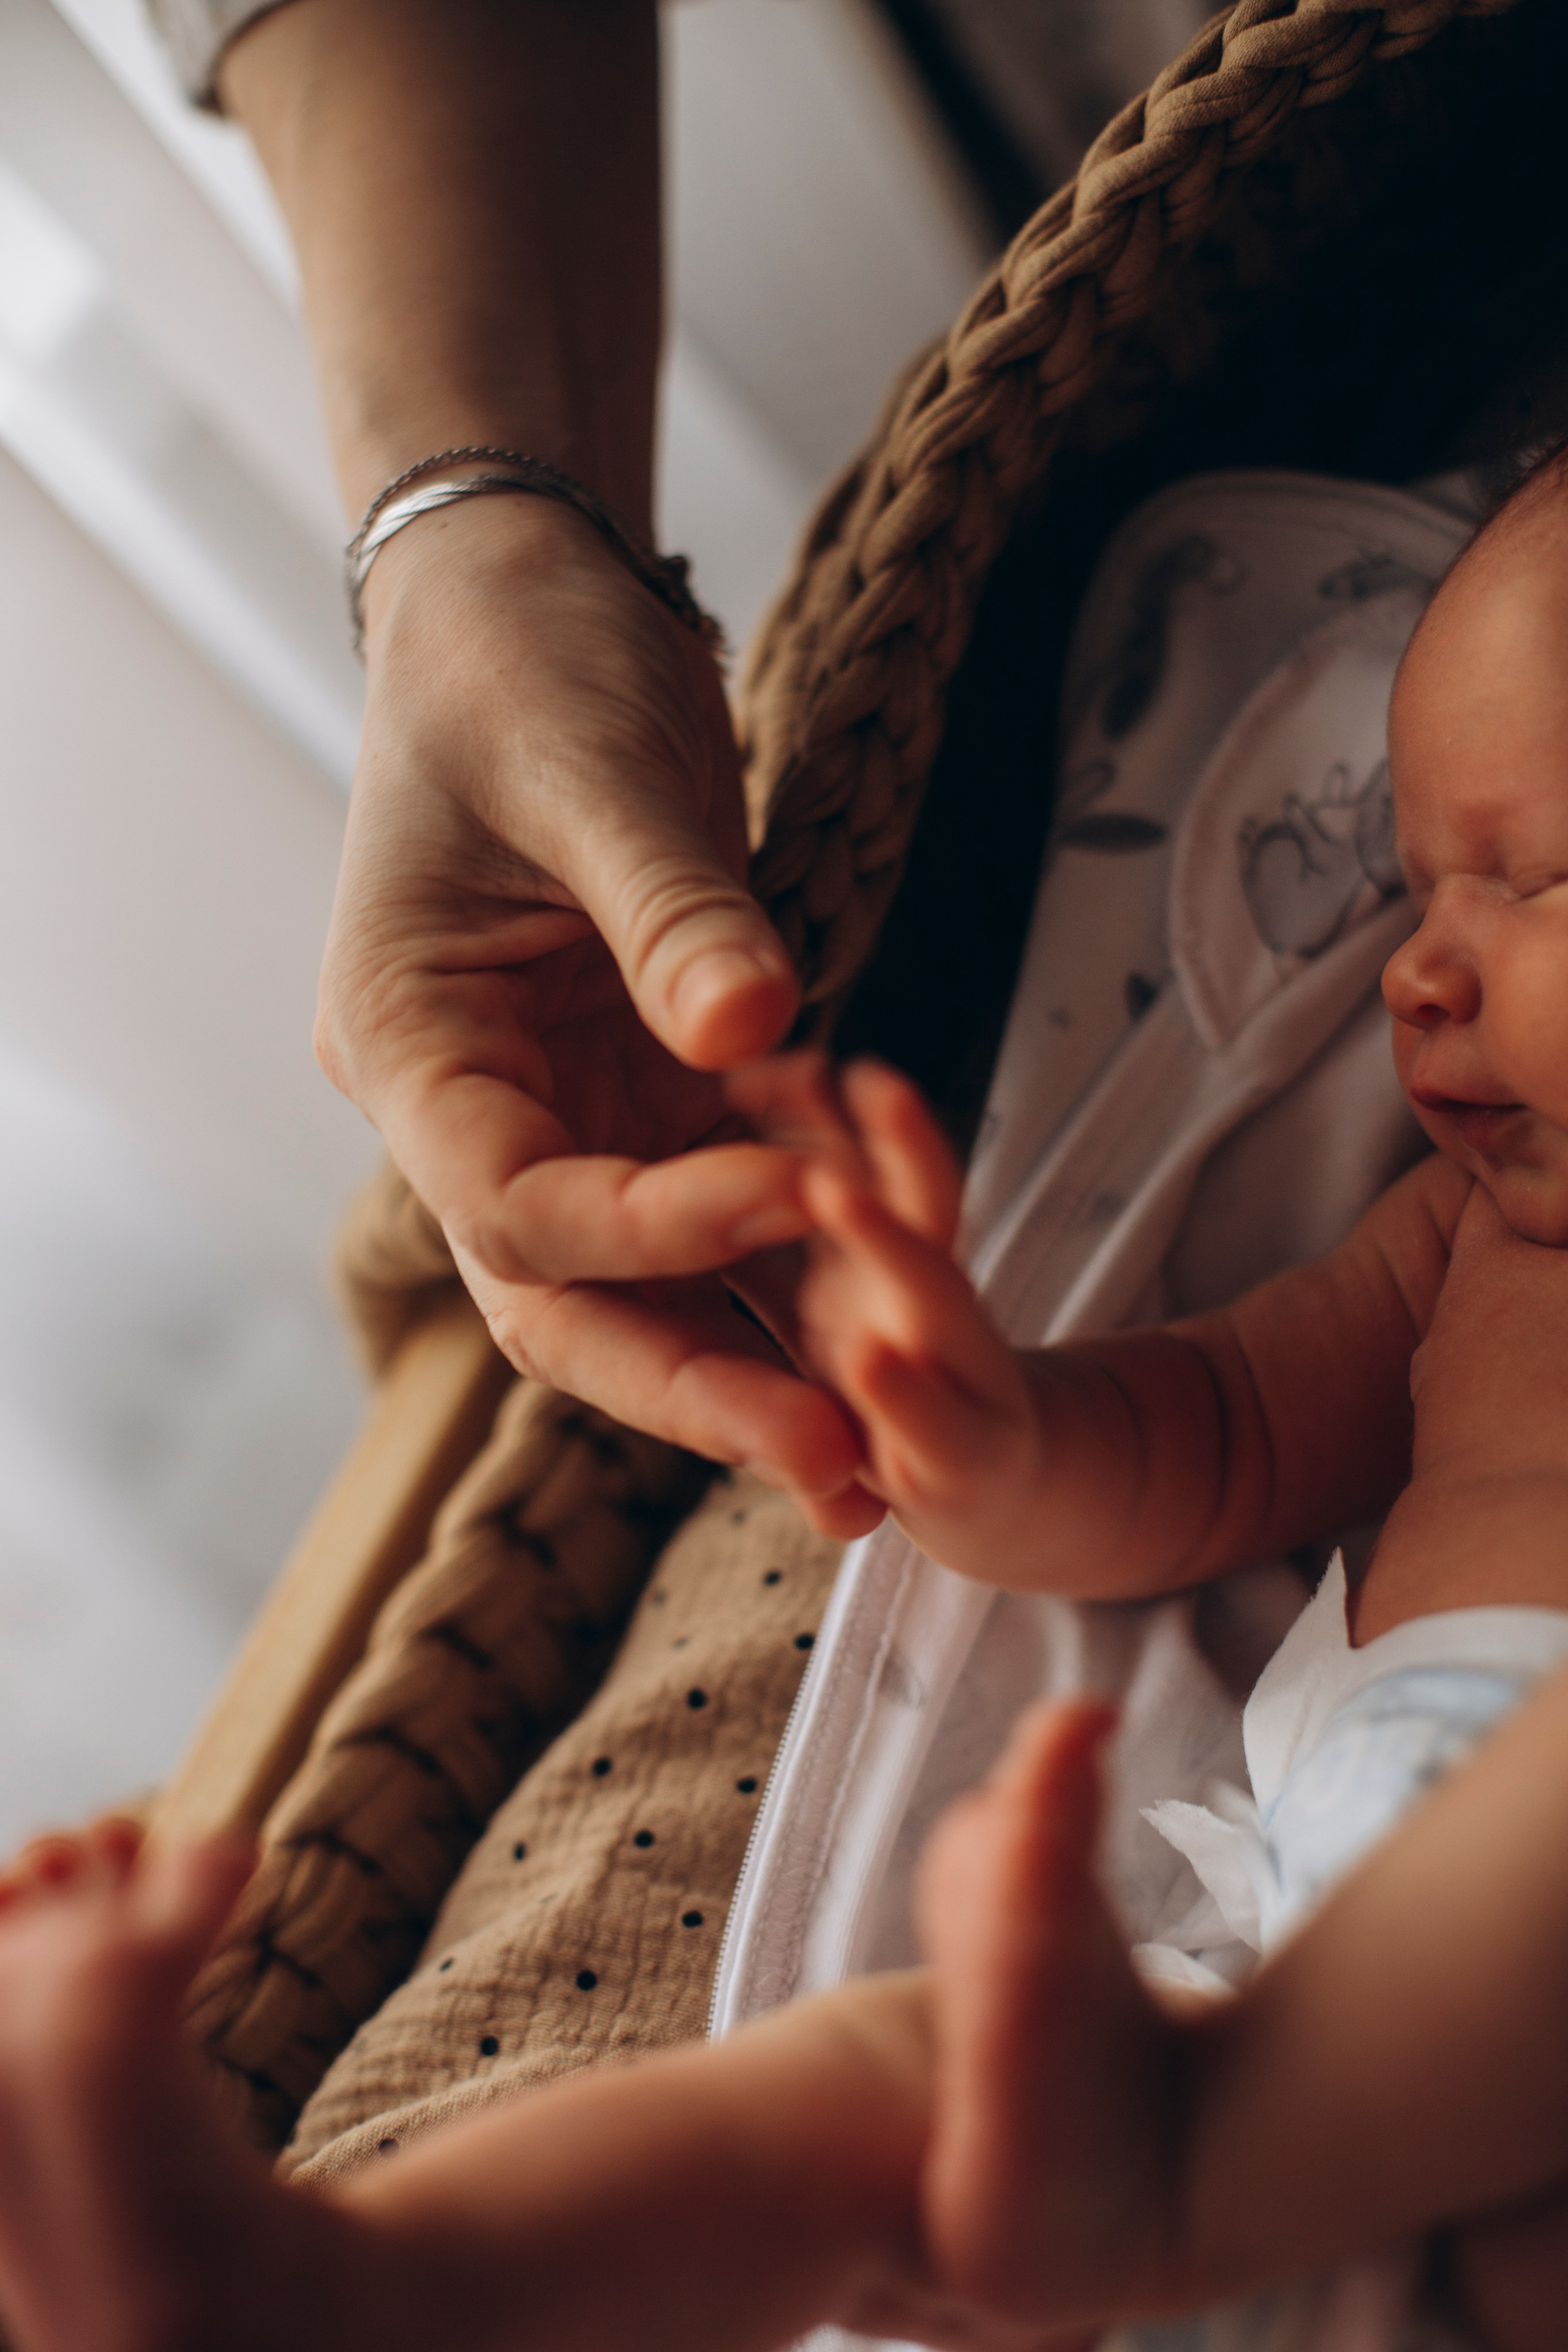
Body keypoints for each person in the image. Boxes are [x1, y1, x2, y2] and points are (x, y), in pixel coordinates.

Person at [2, 409, 1568, 2352]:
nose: (1420, 973)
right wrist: (983, 1424)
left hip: (1351, 2116)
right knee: (869, 2095)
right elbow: (1219, 1437)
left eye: (1534, 881)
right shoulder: (1478, 1251)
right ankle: (344, 2286)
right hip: (1275, 1989)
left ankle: (1190, 2169)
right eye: (1419, 891)